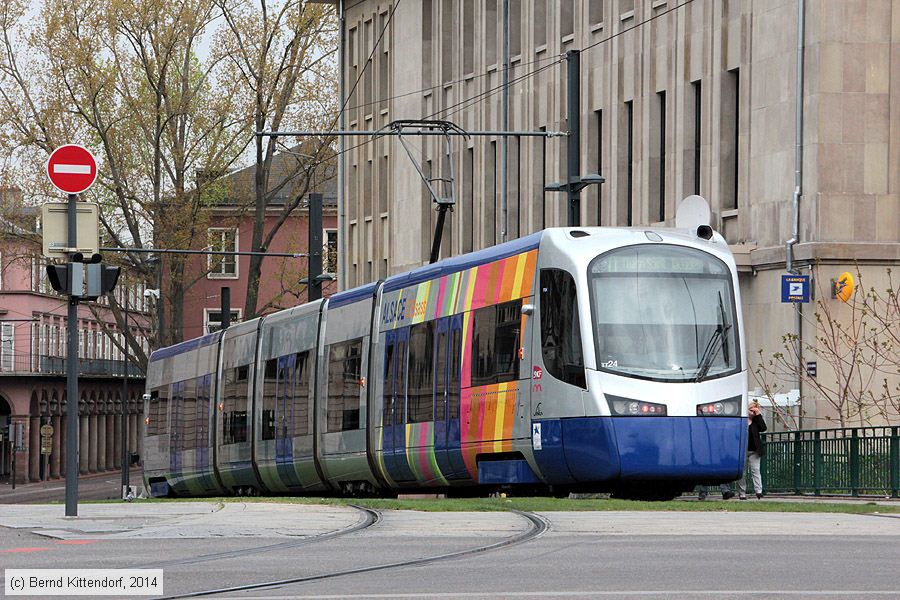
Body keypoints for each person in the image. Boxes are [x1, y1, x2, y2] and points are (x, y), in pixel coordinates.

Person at [738, 400, 767, 500]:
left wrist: (758, 415)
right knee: (742, 473)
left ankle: (759, 491)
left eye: (755, 411)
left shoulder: (756, 422)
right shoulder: (741, 421)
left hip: (754, 450)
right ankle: (742, 492)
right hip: (742, 451)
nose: (753, 413)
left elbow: (763, 428)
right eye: (751, 410)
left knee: (756, 471)